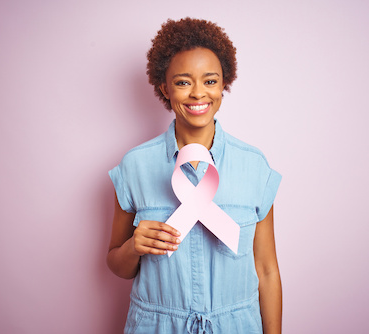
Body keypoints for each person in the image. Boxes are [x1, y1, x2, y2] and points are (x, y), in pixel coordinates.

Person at [107, 17, 282, 334]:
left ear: (223, 85)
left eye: (210, 81)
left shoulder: (255, 166)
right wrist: (134, 247)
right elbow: (117, 264)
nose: (198, 93)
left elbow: (267, 269)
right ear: (165, 88)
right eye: (183, 82)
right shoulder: (134, 166)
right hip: (156, 325)